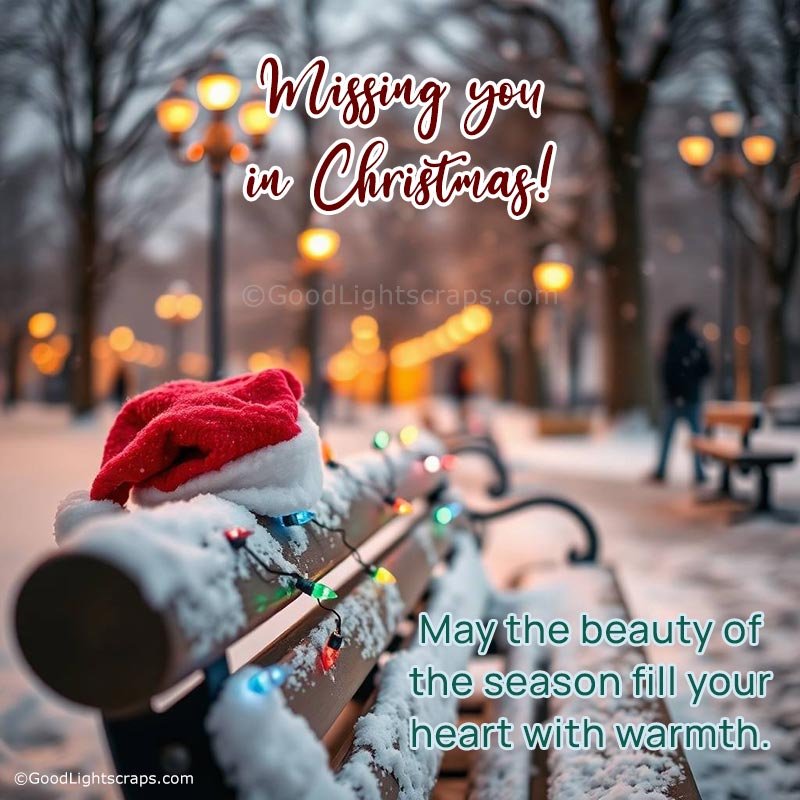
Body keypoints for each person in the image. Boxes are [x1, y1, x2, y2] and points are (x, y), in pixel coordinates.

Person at [650, 307, 711, 484]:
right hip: (691, 397)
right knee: (696, 436)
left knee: (667, 437)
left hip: (672, 398)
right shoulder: (695, 342)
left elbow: (663, 370)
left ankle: (661, 470)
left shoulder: (672, 342)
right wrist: (693, 380)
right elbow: (707, 368)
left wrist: (672, 389)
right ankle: (699, 472)